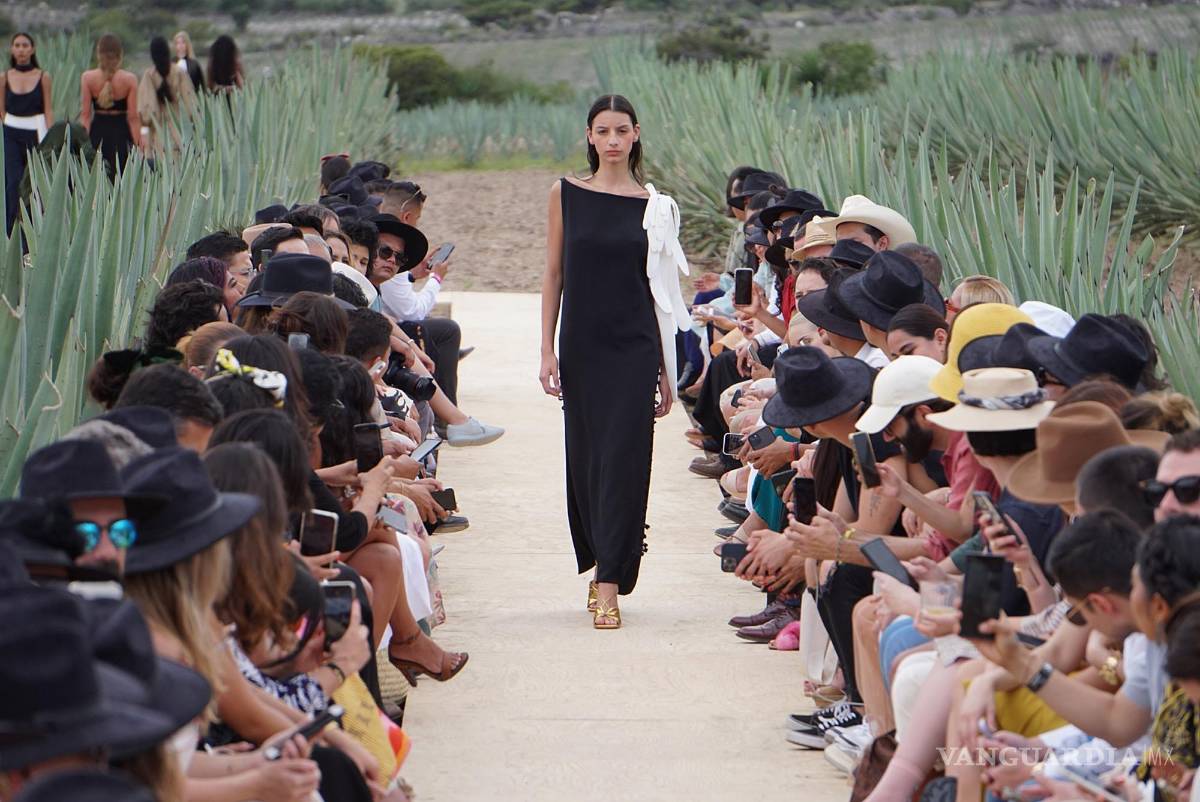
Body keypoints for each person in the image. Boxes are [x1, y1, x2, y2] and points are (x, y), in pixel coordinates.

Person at [540, 94, 686, 629]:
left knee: (626, 459)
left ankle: (610, 583)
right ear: (589, 136)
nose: (613, 140)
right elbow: (554, 273)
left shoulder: (655, 206)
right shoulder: (565, 194)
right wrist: (546, 348)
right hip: (582, 344)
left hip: (634, 347)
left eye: (622, 130)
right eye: (602, 131)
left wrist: (666, 368)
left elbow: (661, 292)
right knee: (586, 459)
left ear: (636, 133)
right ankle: (600, 558)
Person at [2, 32, 52, 233]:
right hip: (10, 134)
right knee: (13, 182)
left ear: (32, 49)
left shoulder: (43, 77)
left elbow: (48, 110)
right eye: (17, 45)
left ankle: (33, 231)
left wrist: (50, 139)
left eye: (25, 45)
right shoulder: (4, 78)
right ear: (12, 49)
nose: (21, 49)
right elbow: (1, 111)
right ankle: (11, 233)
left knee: (33, 183)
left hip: (36, 133)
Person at [79, 34, 140, 174]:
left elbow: (85, 115)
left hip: (97, 134)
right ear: (120, 54)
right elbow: (133, 118)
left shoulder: (87, 78)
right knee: (122, 175)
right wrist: (139, 146)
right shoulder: (130, 79)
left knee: (97, 175)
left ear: (98, 53)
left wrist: (83, 144)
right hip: (121, 134)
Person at [137, 36, 196, 157]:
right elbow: (191, 106)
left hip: (158, 137)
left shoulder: (149, 76)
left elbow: (147, 113)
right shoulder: (179, 73)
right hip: (181, 134)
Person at [173, 30, 205, 94]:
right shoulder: (171, 63)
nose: (180, 45)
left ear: (187, 44)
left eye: (183, 42)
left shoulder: (194, 64)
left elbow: (201, 85)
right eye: (178, 43)